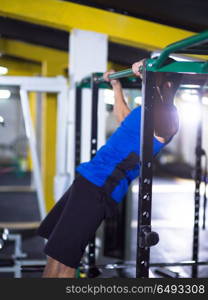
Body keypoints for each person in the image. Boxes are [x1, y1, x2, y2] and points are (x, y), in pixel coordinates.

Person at [37, 59, 180, 278]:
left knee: (64, 263)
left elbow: (163, 128)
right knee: (54, 253)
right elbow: (124, 117)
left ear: (167, 83)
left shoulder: (169, 116)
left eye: (155, 75)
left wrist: (146, 75)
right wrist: (116, 87)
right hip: (87, 180)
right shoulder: (147, 110)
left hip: (99, 189)